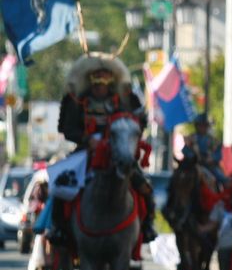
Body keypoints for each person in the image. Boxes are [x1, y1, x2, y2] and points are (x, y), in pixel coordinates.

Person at [51, 54, 157, 244]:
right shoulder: (77, 101)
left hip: (117, 152)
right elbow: (66, 129)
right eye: (96, 82)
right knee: (61, 186)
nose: (100, 86)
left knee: (144, 186)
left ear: (110, 83)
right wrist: (86, 138)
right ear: (91, 83)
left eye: (104, 82)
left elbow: (137, 123)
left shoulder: (125, 100)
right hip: (86, 152)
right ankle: (59, 228)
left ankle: (147, 225)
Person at [183, 113, 228, 186]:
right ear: (196, 126)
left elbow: (218, 155)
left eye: (204, 125)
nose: (202, 128)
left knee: (223, 179)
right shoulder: (191, 138)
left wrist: (212, 158)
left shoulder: (214, 140)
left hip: (210, 166)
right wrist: (193, 157)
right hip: (193, 165)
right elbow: (185, 150)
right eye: (200, 125)